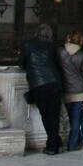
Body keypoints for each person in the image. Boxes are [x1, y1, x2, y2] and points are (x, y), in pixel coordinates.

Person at [20, 24, 64, 155]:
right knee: (54, 115)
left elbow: (21, 63)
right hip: (54, 83)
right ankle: (55, 143)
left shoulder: (28, 44)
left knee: (45, 115)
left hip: (38, 84)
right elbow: (58, 65)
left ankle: (52, 145)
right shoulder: (53, 46)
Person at [58, 30, 83, 152]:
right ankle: (72, 145)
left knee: (71, 118)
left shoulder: (60, 52)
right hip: (79, 92)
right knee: (76, 120)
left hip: (65, 90)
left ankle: (75, 141)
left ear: (69, 38)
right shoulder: (82, 55)